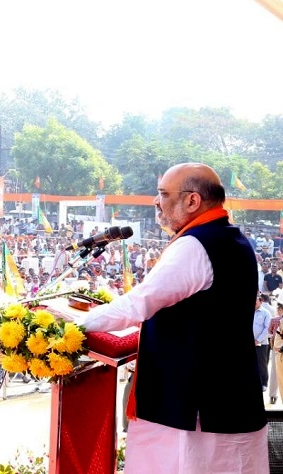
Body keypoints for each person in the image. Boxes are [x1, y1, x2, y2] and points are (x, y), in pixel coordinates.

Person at [76, 163, 267, 473]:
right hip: (223, 397)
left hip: (193, 407)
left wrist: (68, 327)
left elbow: (138, 305)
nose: (156, 201)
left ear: (192, 201)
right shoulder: (230, 238)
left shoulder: (195, 245)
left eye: (164, 194)